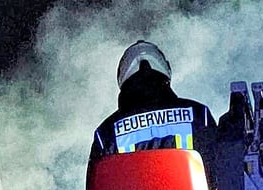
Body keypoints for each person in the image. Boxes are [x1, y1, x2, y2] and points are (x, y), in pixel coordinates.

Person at [90, 40, 218, 172]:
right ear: (165, 70)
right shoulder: (198, 114)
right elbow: (220, 167)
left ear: (122, 78)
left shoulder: (106, 133)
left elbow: (97, 188)